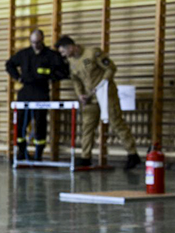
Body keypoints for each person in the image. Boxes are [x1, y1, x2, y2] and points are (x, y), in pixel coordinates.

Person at [55, 35, 140, 170]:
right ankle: (85, 157)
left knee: (116, 123)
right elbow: (76, 80)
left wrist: (103, 83)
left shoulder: (92, 53)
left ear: (70, 47)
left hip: (106, 94)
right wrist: (80, 95)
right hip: (90, 97)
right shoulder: (72, 62)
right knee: (87, 126)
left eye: (63, 51)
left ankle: (132, 154)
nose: (63, 55)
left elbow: (111, 68)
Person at [5, 29, 69, 161]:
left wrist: (49, 76)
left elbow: (64, 71)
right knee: (21, 123)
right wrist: (17, 77)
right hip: (25, 92)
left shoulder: (51, 55)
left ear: (42, 40)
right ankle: (21, 152)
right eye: (32, 42)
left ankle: (38, 154)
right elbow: (9, 64)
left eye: (37, 42)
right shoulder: (24, 54)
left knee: (40, 124)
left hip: (41, 92)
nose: (35, 45)